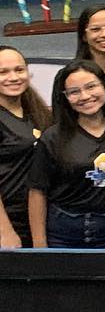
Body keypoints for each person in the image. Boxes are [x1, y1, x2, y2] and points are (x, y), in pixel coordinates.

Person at [29, 63, 105, 249]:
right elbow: (37, 192)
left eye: (91, 86)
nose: (85, 96)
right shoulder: (53, 137)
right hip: (63, 231)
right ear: (65, 97)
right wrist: (39, 244)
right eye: (74, 92)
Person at [0, 47, 50, 247]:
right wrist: (4, 231)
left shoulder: (37, 111)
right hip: (9, 219)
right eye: (3, 72)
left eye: (19, 70)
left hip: (36, 216)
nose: (13, 77)